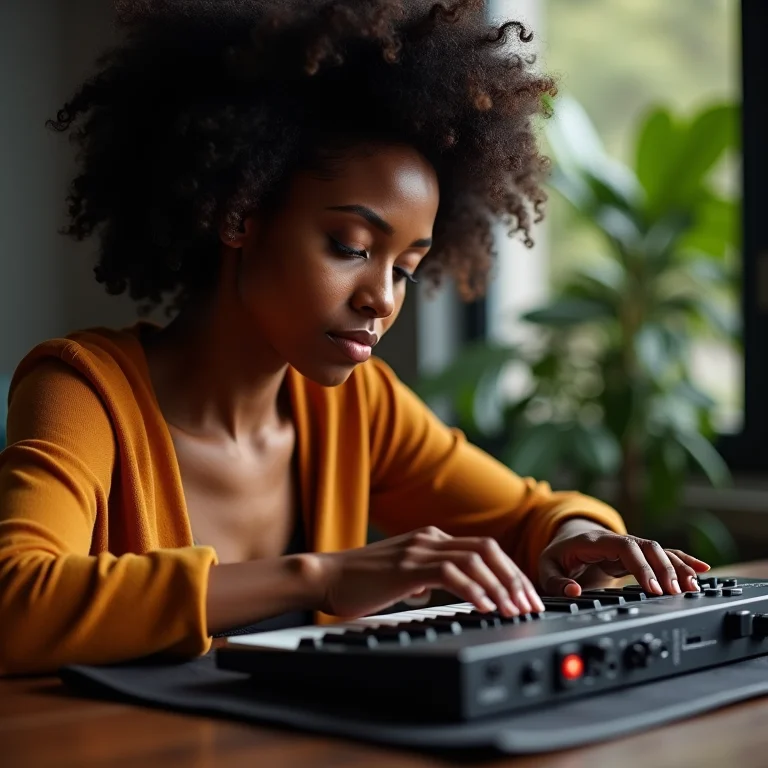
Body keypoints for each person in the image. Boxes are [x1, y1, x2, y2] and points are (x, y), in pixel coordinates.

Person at [0, 0, 709, 676]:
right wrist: (324, 575)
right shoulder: (85, 390)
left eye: (405, 268)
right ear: (240, 213)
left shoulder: (357, 407)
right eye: (349, 246)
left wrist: (569, 540)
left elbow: (532, 514)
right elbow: (15, 602)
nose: (381, 298)